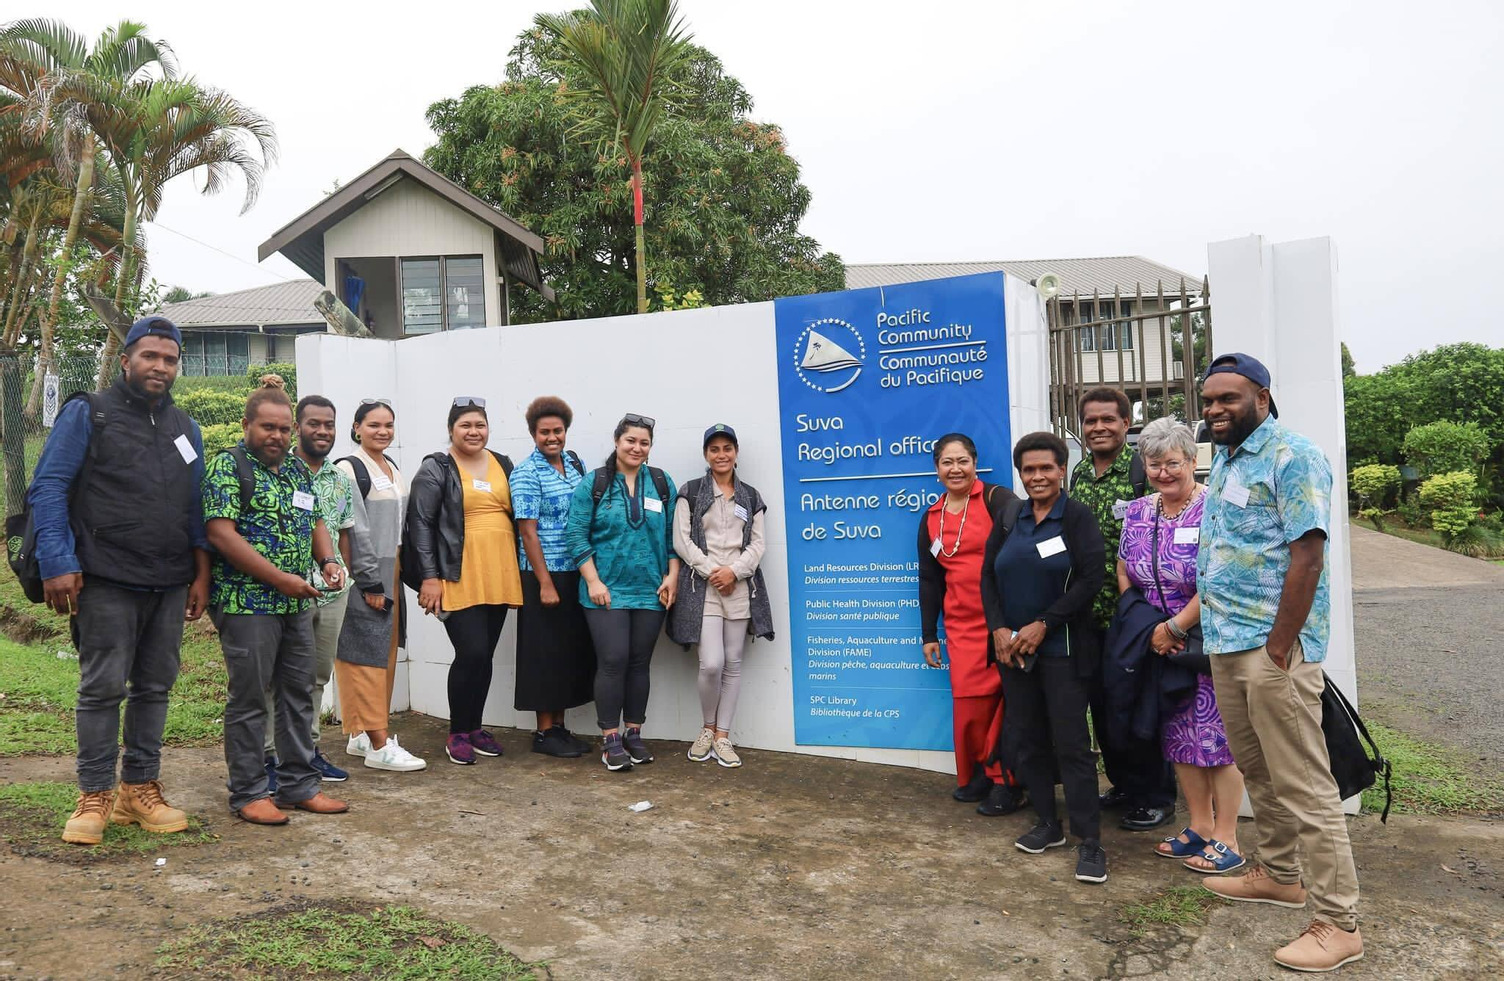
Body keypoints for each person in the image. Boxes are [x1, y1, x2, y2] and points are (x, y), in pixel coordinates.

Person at [1197, 354, 1363, 972]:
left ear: (1263, 397)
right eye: (1209, 399)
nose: (1215, 409)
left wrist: (1279, 646)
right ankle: (1279, 874)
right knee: (1258, 769)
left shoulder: (1293, 455)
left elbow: (1307, 557)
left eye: (1228, 398)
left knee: (1305, 786)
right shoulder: (1228, 459)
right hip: (1226, 642)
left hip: (1272, 650)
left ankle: (1338, 922)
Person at [29, 316, 209, 845]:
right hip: (104, 575)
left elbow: (196, 508)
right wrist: (58, 561)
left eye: (169, 359)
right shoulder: (90, 413)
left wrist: (201, 575)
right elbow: (49, 487)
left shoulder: (185, 427)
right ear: (126, 359)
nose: (160, 367)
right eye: (150, 356)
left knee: (155, 687)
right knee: (103, 687)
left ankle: (138, 788)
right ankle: (94, 795)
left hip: (170, 580)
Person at [203, 376, 348, 825]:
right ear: (247, 425)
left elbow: (316, 521)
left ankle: (298, 785)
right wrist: (281, 580)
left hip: (295, 604)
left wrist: (326, 560)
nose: (278, 437)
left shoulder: (296, 470)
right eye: (268, 428)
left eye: (285, 430)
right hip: (247, 604)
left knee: (298, 694)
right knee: (249, 700)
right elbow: (220, 533)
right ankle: (248, 792)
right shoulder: (227, 467)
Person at [1114, 417, 1244, 873]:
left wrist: (1175, 627)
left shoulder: (1214, 509)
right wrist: (1146, 624)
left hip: (1204, 641)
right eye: (1154, 464)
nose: (1164, 473)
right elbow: (1124, 568)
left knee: (1217, 740)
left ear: (1192, 460)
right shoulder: (1138, 511)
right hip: (1157, 642)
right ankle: (1199, 827)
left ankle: (1227, 836)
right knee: (1180, 738)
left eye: (1172, 462)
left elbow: (1217, 579)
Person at [981, 431, 1108, 884]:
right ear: (1020, 474)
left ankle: (1089, 841)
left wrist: (1045, 624)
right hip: (1012, 650)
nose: (1037, 476)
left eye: (1045, 468)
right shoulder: (1010, 515)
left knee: (1072, 745)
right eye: (1028, 469)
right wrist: (998, 628)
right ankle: (1047, 824)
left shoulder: (1075, 516)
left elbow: (1091, 578)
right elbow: (988, 578)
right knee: (1028, 738)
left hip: (1062, 650)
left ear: (1061, 470)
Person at [1070, 387, 1176, 833]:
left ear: (1126, 423)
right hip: (1087, 617)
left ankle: (1156, 796)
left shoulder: (1139, 473)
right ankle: (1123, 784)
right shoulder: (1076, 472)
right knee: (1102, 706)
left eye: (1107, 420)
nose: (1098, 428)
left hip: (1132, 617)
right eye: (1091, 421)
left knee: (1138, 708)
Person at [408, 397, 524, 766]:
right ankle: (457, 731)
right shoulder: (436, 467)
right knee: (470, 651)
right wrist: (430, 578)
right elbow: (421, 525)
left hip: (499, 569)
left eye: (480, 425)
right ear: (451, 429)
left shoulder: (503, 463)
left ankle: (475, 727)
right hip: (457, 572)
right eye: (465, 425)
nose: (474, 432)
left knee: (485, 656)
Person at [914, 433, 1025, 817]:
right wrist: (929, 633)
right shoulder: (931, 517)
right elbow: (929, 579)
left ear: (975, 463)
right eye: (947, 462)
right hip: (960, 626)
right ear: (937, 469)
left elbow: (1024, 550)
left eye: (962, 461)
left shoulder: (998, 500)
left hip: (1003, 620)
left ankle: (1006, 782)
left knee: (1006, 705)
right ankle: (978, 773)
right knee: (970, 707)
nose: (955, 469)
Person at [564, 413, 680, 772]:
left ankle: (634, 733)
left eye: (644, 442)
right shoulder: (594, 483)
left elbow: (674, 536)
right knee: (613, 660)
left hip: (651, 590)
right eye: (631, 440)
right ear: (617, 442)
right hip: (605, 591)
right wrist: (593, 580)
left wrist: (672, 576)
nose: (637, 447)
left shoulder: (661, 483)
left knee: (639, 663)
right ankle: (610, 738)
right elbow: (575, 535)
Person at [261, 395, 355, 789]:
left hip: (331, 595)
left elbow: (343, 531)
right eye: (314, 423)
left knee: (316, 678)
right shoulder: (280, 470)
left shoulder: (339, 478)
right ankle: (268, 756)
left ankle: (308, 750)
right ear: (298, 428)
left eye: (329, 424)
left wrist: (342, 572)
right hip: (286, 593)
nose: (322, 431)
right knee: (274, 679)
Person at [668, 424, 773, 769]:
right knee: (711, 664)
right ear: (706, 455)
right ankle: (707, 728)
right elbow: (682, 541)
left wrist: (735, 571)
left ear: (736, 453)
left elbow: (758, 543)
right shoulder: (691, 492)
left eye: (727, 448)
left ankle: (723, 736)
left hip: (740, 588)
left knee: (733, 663)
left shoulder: (751, 497)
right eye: (714, 449)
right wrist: (714, 570)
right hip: (704, 587)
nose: (721, 455)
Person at [334, 399, 426, 772]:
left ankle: (360, 733)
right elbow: (354, 530)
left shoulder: (391, 467)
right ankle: (378, 742)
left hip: (393, 569)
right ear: (356, 428)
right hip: (367, 573)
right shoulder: (348, 468)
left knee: (384, 653)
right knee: (365, 653)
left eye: (389, 424)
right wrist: (370, 581)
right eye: (374, 425)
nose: (383, 431)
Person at [510, 396, 595, 759]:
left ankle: (559, 727)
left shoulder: (574, 465)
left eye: (557, 431)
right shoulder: (526, 473)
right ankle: (544, 732)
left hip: (574, 571)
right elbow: (527, 532)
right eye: (544, 432)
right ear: (533, 433)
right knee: (544, 653)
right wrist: (544, 582)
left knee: (565, 652)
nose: (552, 437)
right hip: (543, 575)